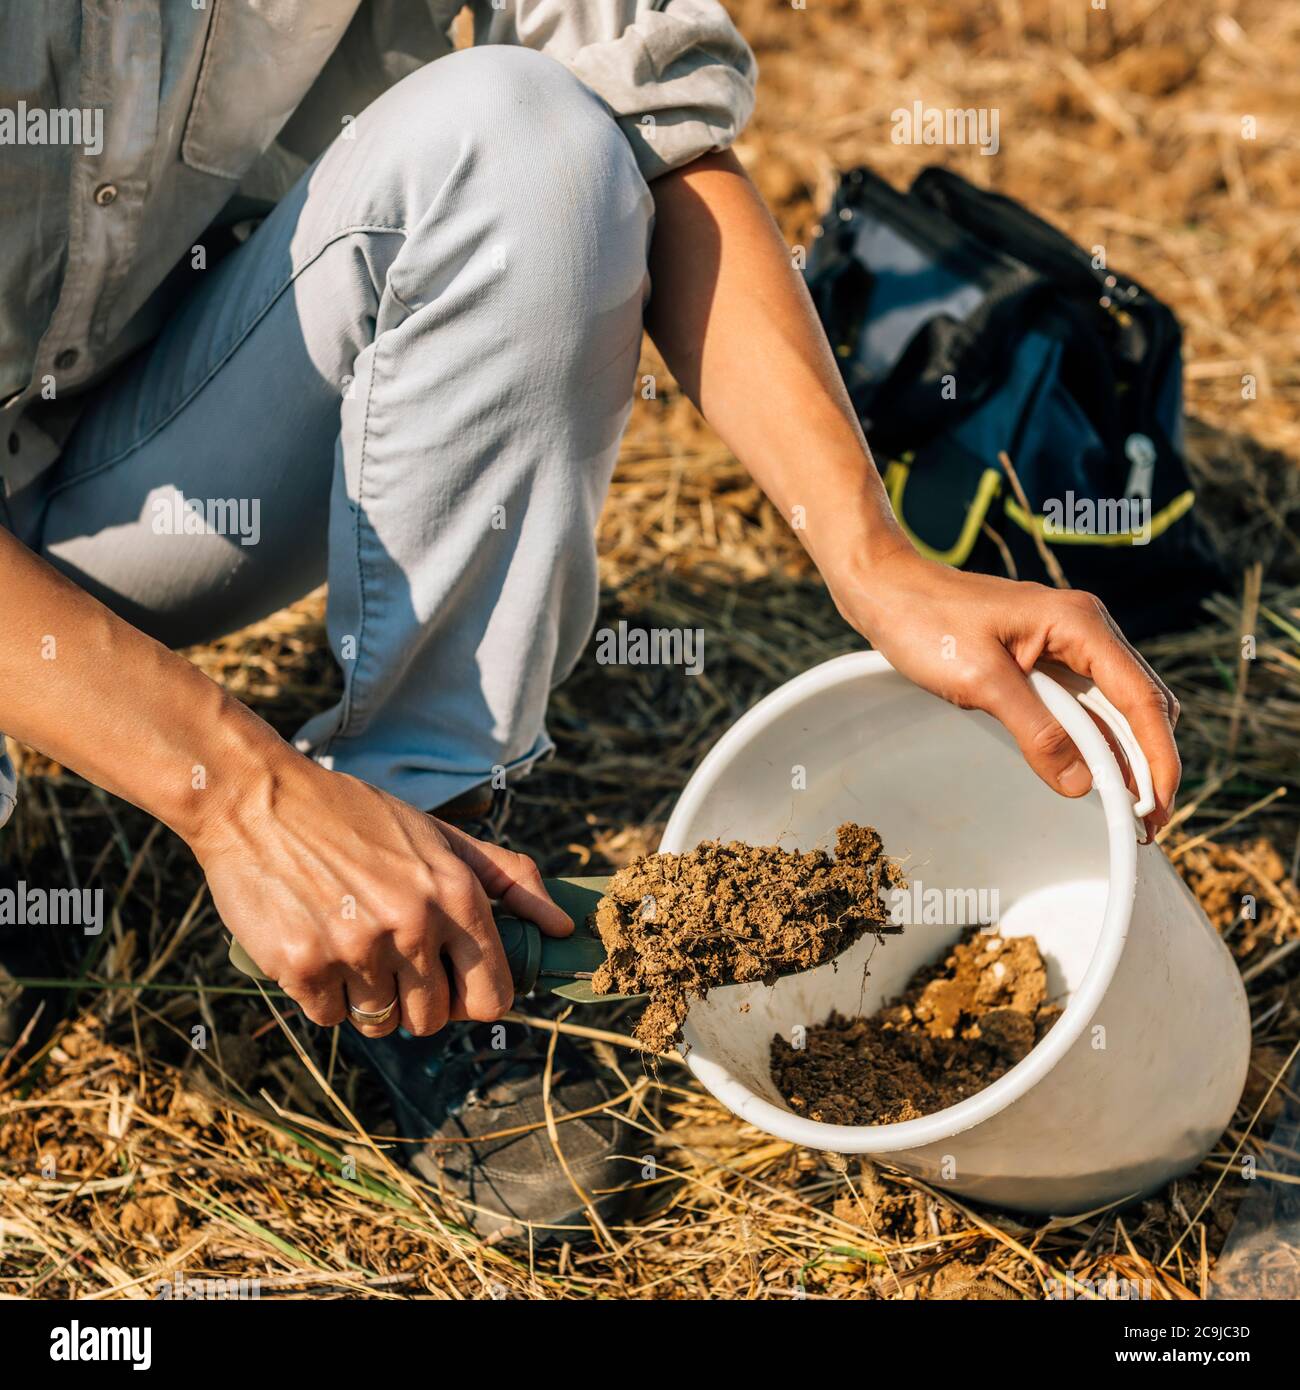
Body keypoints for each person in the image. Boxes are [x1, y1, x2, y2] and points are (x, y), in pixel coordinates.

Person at [0, 1, 1179, 1235]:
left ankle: (426, 860)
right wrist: (239, 791)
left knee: (521, 134)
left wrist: (874, 556)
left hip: (163, 460)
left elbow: (646, 122)